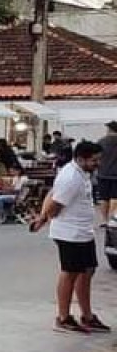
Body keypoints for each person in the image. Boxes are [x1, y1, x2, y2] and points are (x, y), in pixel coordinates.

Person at [31, 139, 105, 334]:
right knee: (70, 272)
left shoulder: (82, 173)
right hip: (70, 233)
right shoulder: (71, 177)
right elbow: (55, 203)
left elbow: (52, 193)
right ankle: (63, 317)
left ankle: (87, 315)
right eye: (94, 160)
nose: (97, 164)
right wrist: (44, 218)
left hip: (83, 232)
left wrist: (41, 217)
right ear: (81, 159)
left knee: (87, 270)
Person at [97, 121, 117, 225]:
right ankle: (112, 219)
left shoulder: (101, 141)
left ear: (109, 129)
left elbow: (96, 157)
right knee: (115, 197)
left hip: (102, 173)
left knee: (103, 198)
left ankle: (104, 219)